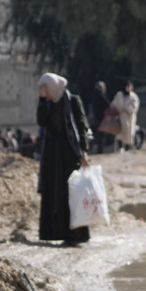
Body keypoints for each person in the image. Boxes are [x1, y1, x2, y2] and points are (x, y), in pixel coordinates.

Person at [36, 73, 92, 245]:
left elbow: (82, 126)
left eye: (46, 89)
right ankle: (55, 233)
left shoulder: (72, 100)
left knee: (72, 193)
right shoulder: (48, 104)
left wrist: (83, 151)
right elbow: (41, 122)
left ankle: (77, 235)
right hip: (52, 155)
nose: (46, 93)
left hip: (69, 153)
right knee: (54, 194)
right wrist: (42, 100)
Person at [111, 81, 140, 152]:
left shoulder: (133, 96)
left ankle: (127, 147)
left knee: (129, 132)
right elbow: (114, 104)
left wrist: (125, 109)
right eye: (128, 86)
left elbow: (135, 106)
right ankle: (120, 147)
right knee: (120, 133)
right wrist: (118, 110)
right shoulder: (119, 94)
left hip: (129, 117)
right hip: (120, 117)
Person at [89, 80, 113, 153]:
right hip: (101, 118)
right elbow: (108, 105)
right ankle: (99, 149)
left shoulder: (94, 96)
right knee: (101, 135)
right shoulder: (100, 96)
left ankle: (93, 148)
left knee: (96, 134)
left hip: (95, 118)